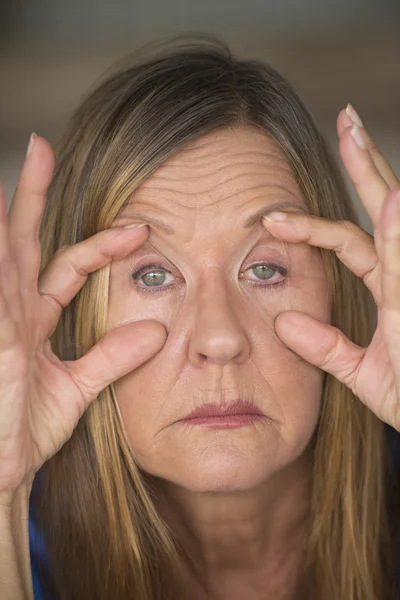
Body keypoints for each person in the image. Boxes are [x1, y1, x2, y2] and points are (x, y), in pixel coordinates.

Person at [1, 32, 400, 600]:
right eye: (153, 275)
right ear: (72, 316)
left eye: (265, 269)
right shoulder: (21, 533)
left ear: (342, 291)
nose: (219, 338)